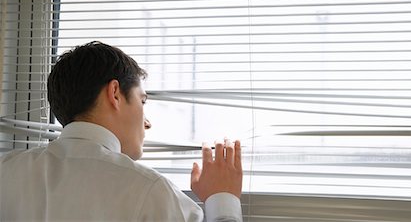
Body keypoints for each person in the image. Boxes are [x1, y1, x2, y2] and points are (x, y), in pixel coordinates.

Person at [0, 41, 243, 221]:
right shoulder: (150, 192)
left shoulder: (6, 171)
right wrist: (223, 199)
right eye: (142, 101)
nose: (147, 123)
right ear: (115, 93)